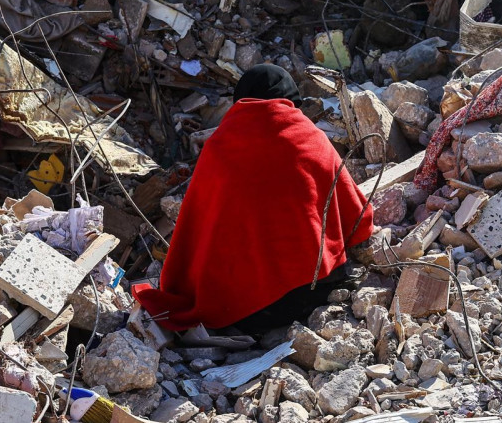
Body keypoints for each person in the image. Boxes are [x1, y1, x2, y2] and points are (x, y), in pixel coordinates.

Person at [132, 64, 374, 333]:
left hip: (243, 314)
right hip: (317, 290)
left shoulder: (220, 148)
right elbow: (358, 219)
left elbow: (197, 229)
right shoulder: (311, 138)